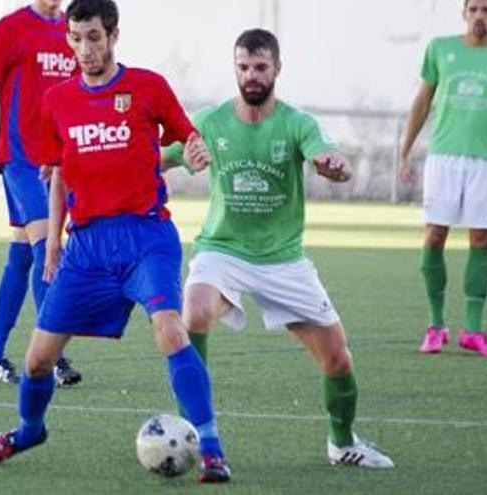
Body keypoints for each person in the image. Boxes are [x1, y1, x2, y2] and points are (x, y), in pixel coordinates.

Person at [0, 0, 232, 483]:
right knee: (38, 359)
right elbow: (60, 173)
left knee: (171, 330)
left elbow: (190, 138)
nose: (84, 49)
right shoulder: (59, 100)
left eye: (93, 37)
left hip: (145, 236)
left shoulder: (148, 87)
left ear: (113, 35)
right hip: (86, 246)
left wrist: (196, 149)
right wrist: (51, 247)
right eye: (75, 38)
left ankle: (211, 447)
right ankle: (29, 431)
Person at [163, 28, 395, 469]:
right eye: (244, 67)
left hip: (283, 260)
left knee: (338, 358)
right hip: (222, 249)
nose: (251, 75)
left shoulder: (296, 123)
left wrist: (335, 167)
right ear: (235, 68)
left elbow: (325, 154)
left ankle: (342, 441)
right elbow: (156, 159)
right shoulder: (210, 122)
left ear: (277, 69)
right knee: (192, 311)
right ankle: (195, 428)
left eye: (260, 67)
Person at [399, 0, 487, 357]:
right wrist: (404, 152)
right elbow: (421, 102)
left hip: (486, 161)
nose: (480, 15)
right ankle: (435, 327)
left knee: (482, 239)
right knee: (434, 235)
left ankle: (473, 332)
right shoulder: (440, 49)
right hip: (443, 158)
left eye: (486, 9)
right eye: (474, 8)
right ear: (464, 13)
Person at [0, 0, 82, 386]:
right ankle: (53, 354)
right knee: (46, 249)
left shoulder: (76, 30)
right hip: (20, 159)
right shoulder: (10, 29)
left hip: (58, 163)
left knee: (20, 257)